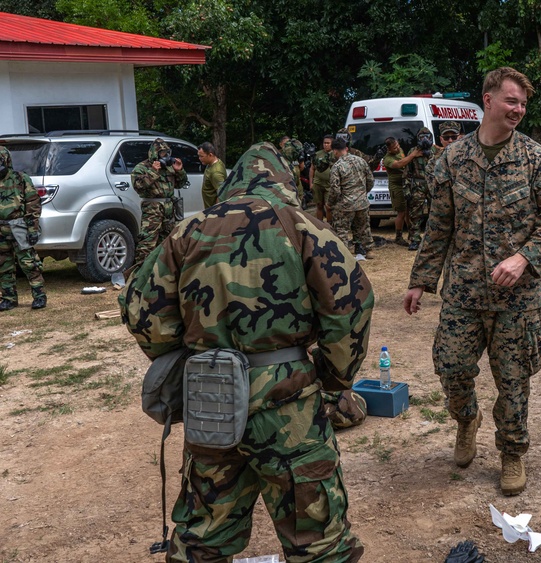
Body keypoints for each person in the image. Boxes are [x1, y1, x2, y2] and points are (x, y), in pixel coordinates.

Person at [120, 141, 372, 562]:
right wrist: (332, 377)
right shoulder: (303, 226)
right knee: (318, 537)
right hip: (288, 401)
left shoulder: (188, 231)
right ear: (284, 182)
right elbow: (351, 306)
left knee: (205, 532)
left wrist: (187, 359)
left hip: (210, 394)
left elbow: (142, 311)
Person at [403, 66, 541, 496]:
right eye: (512, 101)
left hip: (517, 296)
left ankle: (512, 452)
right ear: (488, 100)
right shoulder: (452, 159)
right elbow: (438, 227)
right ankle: (466, 420)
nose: (519, 110)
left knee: (513, 381)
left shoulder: (536, 159)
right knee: (452, 367)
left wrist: (523, 258)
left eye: (523, 104)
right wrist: (420, 280)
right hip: (464, 291)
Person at [0, 146, 46, 310]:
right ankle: (8, 298)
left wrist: (32, 229)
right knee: (4, 266)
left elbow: (33, 204)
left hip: (18, 225)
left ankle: (39, 295)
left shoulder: (20, 179)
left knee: (29, 263)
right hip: (1, 229)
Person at [132, 138, 187, 271]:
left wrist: (179, 171)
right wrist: (153, 172)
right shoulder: (141, 168)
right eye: (162, 154)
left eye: (167, 153)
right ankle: (141, 272)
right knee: (148, 241)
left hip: (169, 207)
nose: (165, 156)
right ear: (155, 154)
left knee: (169, 239)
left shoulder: (169, 167)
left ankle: (164, 270)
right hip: (153, 209)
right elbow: (139, 186)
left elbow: (181, 184)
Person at [328, 137, 376, 258]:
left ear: (334, 151)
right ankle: (369, 250)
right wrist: (363, 192)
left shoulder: (337, 166)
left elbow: (335, 189)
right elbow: (370, 180)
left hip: (345, 204)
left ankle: (343, 253)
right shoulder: (361, 161)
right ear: (346, 148)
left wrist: (331, 203)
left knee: (342, 230)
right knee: (364, 227)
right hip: (362, 202)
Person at [404, 127, 440, 250]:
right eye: (421, 137)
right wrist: (407, 189)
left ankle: (433, 239)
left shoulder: (436, 150)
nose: (424, 139)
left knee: (434, 212)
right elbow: (407, 172)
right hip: (418, 185)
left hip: (433, 185)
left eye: (427, 136)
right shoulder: (413, 152)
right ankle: (415, 239)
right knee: (415, 213)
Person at [382, 136, 418, 246]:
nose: (397, 149)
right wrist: (413, 155)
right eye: (394, 148)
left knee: (408, 210)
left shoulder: (400, 150)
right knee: (401, 212)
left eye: (398, 145)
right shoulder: (387, 158)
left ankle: (411, 233)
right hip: (396, 187)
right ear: (389, 149)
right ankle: (398, 237)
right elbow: (400, 164)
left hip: (405, 185)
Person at [311, 134, 336, 223]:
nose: (326, 145)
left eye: (328, 143)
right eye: (324, 143)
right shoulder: (318, 154)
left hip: (330, 184)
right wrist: (311, 183)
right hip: (318, 183)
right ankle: (319, 224)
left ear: (332, 144)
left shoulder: (335, 154)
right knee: (319, 205)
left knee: (328, 206)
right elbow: (312, 168)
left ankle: (329, 225)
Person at [197, 142, 226, 209]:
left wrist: (215, 211)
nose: (199, 158)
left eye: (201, 156)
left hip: (213, 212)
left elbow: (221, 194)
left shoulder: (216, 172)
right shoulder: (210, 164)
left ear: (210, 155)